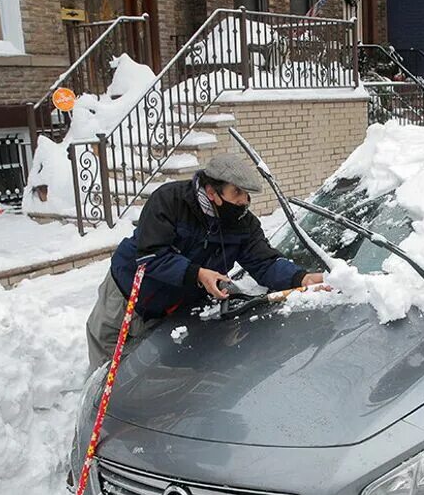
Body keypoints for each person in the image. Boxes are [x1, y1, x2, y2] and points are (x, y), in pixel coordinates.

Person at [85, 154, 324, 371]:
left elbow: (265, 262)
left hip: (173, 306)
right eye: (237, 193)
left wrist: (300, 277)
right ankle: (100, 413)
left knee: (144, 371)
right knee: (106, 368)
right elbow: (152, 255)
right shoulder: (170, 201)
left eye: (247, 195)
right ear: (212, 192)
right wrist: (197, 274)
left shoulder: (243, 224)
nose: (244, 201)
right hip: (127, 294)